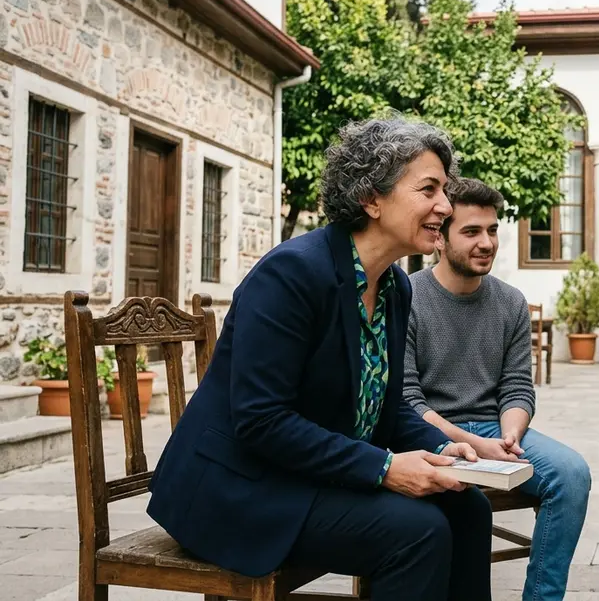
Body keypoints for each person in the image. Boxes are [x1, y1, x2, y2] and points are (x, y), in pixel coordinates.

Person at [147, 116, 494, 601]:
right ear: (371, 198)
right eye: (429, 189)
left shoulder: (393, 288)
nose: (444, 205)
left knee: (469, 509)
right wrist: (384, 468)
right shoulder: (289, 275)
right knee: (416, 531)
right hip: (238, 489)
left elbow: (387, 408)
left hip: (303, 475)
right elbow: (261, 420)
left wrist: (446, 449)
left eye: (444, 190)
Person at [404, 178, 591, 601]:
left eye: (492, 231)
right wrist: (473, 445)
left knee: (572, 474)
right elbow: (408, 401)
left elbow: (518, 387)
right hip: (431, 434)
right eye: (471, 232)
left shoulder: (510, 302)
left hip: (494, 431)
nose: (486, 242)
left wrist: (510, 435)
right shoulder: (408, 297)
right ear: (440, 240)